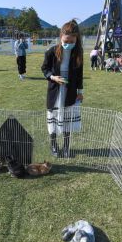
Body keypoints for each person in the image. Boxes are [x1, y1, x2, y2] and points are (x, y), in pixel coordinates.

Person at [41, 19, 84, 158]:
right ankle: (54, 145)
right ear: (61, 38)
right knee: (53, 119)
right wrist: (53, 77)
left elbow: (79, 74)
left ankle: (66, 147)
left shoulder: (78, 53)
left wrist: (80, 91)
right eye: (66, 41)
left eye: (72, 42)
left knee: (67, 120)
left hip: (70, 92)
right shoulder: (51, 51)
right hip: (55, 92)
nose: (68, 44)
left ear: (76, 40)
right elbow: (44, 69)